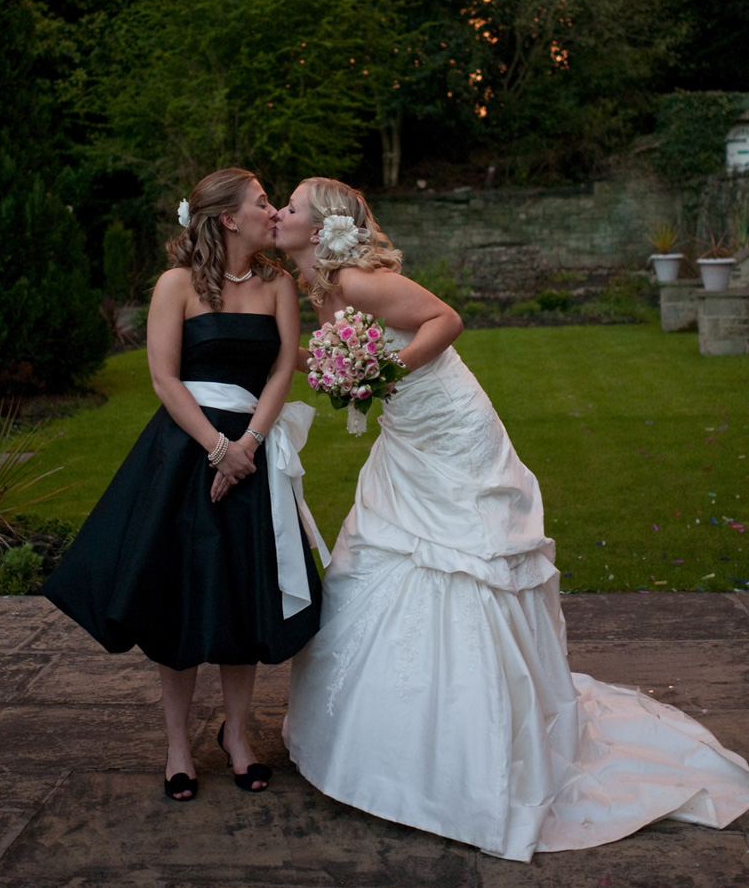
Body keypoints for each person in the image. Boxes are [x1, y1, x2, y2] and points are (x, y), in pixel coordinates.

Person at [275, 176, 749, 863]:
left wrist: (382, 373)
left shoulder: (357, 282)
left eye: (289, 206)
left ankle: (480, 741)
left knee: (466, 563)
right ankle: (392, 740)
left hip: (449, 430)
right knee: (380, 557)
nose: (279, 213)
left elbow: (445, 320)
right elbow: (323, 363)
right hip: (407, 440)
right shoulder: (318, 289)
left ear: (320, 229)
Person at [44, 168, 327, 802]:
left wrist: (248, 445)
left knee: (241, 596)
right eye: (262, 202)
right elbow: (164, 378)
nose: (272, 211)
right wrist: (217, 449)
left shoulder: (278, 285)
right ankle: (177, 746)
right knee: (177, 599)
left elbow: (283, 368)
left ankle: (238, 737)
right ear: (228, 218)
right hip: (183, 454)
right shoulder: (175, 285)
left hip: (252, 452)